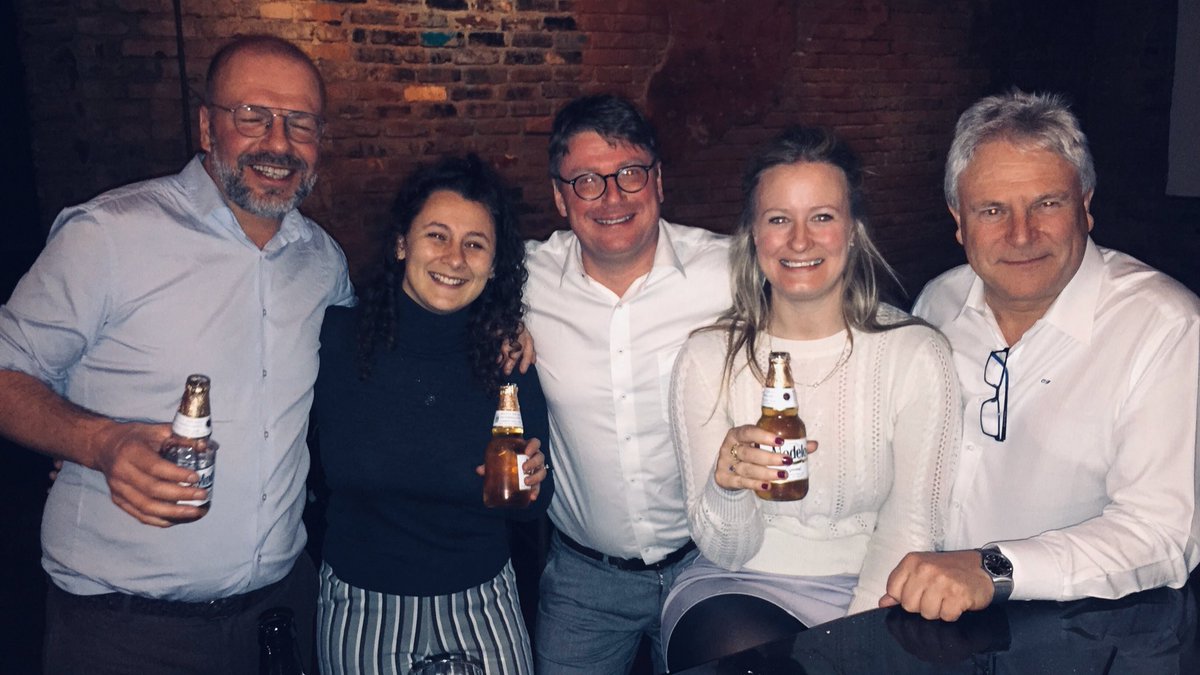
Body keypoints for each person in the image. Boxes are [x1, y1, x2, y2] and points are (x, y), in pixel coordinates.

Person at [0, 35, 352, 673]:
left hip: (282, 611)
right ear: (207, 126)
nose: (278, 142)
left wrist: (500, 330)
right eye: (253, 115)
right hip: (124, 630)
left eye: (300, 122)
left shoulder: (323, 262)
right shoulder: (110, 235)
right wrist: (97, 441)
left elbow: (375, 359)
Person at [883, 89, 1200, 622]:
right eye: (992, 210)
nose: (1021, 235)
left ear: (1086, 206)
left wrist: (993, 569)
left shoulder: (1166, 328)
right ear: (959, 221)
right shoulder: (938, 302)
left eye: (1046, 204)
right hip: (923, 609)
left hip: (1085, 628)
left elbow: (1162, 534)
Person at [660, 126, 962, 671]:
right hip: (740, 585)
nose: (800, 241)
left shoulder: (915, 352)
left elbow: (913, 525)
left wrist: (856, 642)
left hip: (883, 584)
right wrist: (729, 487)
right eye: (779, 219)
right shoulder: (707, 357)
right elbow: (726, 550)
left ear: (854, 231)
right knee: (734, 648)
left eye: (822, 216)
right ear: (753, 235)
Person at [314, 154, 552, 674]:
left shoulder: (505, 357)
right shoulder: (337, 340)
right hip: (362, 601)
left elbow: (532, 506)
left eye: (475, 244)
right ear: (403, 243)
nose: (455, 258)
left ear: (494, 264)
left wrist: (531, 482)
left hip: (481, 597)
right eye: (437, 236)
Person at [522, 94, 732, 673]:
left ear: (658, 181)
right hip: (584, 580)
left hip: (708, 566)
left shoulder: (728, 271)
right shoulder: (524, 280)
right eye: (587, 181)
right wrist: (494, 328)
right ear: (560, 197)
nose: (612, 197)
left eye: (630, 173)